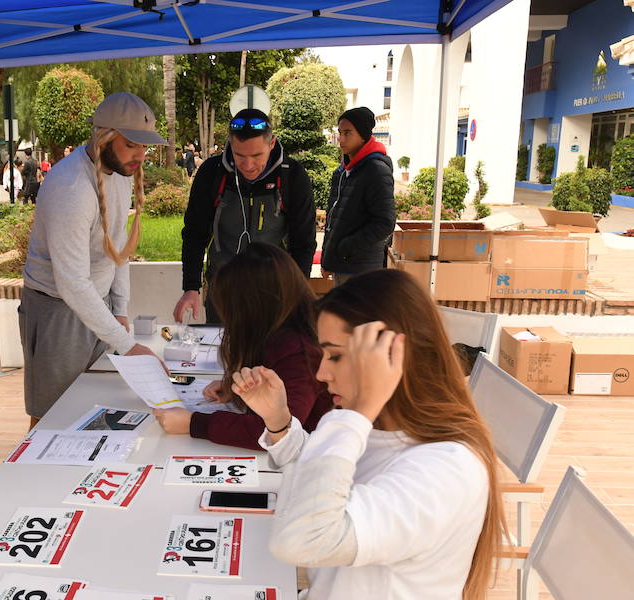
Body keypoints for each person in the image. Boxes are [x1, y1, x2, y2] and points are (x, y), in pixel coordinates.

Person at [232, 268, 507, 599]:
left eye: (335, 355)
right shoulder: (389, 432)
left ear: (391, 356)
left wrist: (357, 411)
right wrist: (278, 420)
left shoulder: (446, 469)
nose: (321, 373)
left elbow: (304, 538)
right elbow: (325, 482)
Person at [19, 92, 168, 430]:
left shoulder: (119, 172)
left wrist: (119, 307)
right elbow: (71, 283)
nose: (141, 156)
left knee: (94, 409)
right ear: (104, 138)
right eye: (132, 145)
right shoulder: (71, 186)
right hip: (58, 310)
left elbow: (118, 247)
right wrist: (128, 346)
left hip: (95, 306)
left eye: (145, 147)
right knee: (51, 417)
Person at [153, 243, 331, 450]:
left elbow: (278, 433)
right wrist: (240, 389)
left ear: (254, 309)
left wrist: (193, 423)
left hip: (305, 460)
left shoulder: (299, 352)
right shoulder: (286, 332)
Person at [175, 108, 317, 324]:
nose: (248, 166)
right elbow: (195, 235)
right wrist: (191, 287)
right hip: (223, 288)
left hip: (275, 290)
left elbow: (304, 241)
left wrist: (299, 292)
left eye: (257, 155)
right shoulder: (212, 173)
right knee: (222, 354)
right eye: (239, 155)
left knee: (272, 355)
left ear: (271, 144)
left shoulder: (292, 176)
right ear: (231, 145)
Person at [320, 107, 395, 287]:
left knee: (358, 316)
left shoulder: (376, 170)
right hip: (341, 265)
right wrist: (328, 256)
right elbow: (334, 219)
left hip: (361, 270)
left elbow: (385, 223)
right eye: (340, 133)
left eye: (348, 133)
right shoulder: (342, 171)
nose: (341, 139)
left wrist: (345, 248)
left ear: (362, 134)